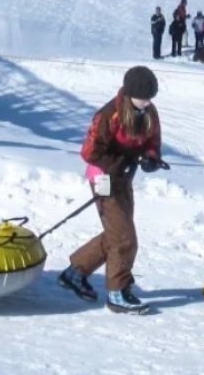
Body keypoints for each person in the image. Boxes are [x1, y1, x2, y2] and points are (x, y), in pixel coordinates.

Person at [58, 66, 166, 315]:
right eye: (142, 97)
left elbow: (153, 140)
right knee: (125, 238)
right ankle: (117, 292)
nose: (147, 102)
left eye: (150, 98)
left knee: (118, 233)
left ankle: (75, 273)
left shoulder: (149, 112)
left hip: (123, 177)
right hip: (104, 177)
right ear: (129, 94)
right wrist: (117, 162)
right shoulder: (109, 114)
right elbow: (89, 152)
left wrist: (151, 157)